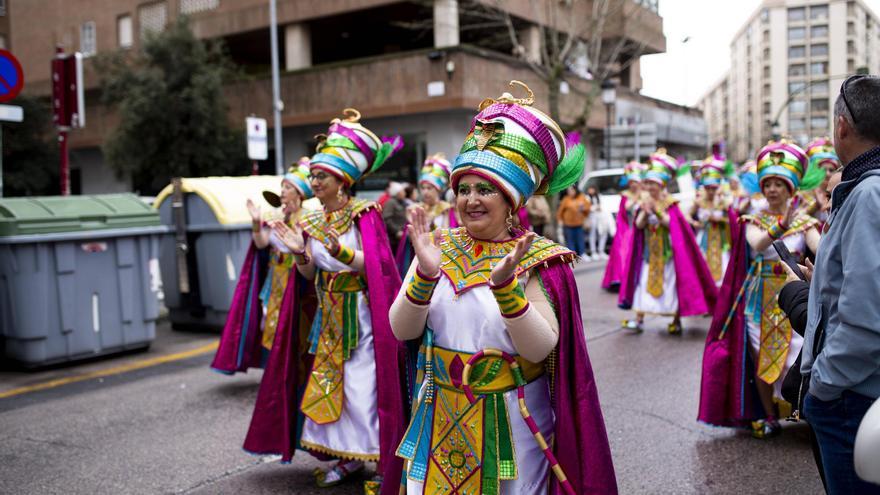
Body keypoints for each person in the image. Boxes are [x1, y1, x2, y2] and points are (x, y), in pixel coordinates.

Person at [388, 81, 617, 494]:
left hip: (511, 422)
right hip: (438, 412)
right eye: (463, 189)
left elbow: (540, 349)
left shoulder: (538, 258)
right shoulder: (436, 246)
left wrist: (507, 290)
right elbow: (402, 331)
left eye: (486, 188)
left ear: (512, 199)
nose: (470, 199)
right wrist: (423, 276)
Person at [242, 109, 407, 494]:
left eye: (321, 177)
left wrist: (344, 254)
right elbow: (309, 276)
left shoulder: (364, 215)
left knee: (366, 385)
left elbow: (378, 269)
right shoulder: (312, 222)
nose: (314, 183)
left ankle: (383, 462)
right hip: (327, 318)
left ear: (342, 181)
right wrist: (302, 255)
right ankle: (349, 457)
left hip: (364, 316)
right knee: (335, 385)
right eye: (313, 176)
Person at [699, 139, 821, 439]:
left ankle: (803, 409)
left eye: (780, 183)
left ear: (791, 187)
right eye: (768, 183)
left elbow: (825, 250)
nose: (773, 189)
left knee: (798, 355)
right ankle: (768, 415)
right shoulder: (753, 219)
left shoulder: (805, 222)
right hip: (759, 300)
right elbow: (757, 243)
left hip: (797, 297)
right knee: (763, 357)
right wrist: (780, 226)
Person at [799, 74, 880, 494]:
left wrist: (824, 386)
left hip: (854, 396)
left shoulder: (869, 194)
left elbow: (867, 318)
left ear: (842, 127)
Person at [211, 158, 315, 374]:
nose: (283, 191)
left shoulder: (308, 220)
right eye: (283, 187)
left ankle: (293, 369)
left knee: (293, 324)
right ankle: (274, 369)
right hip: (274, 279)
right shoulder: (275, 216)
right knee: (271, 322)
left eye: (288, 187)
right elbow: (261, 243)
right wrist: (256, 222)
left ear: (300, 193)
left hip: (295, 279)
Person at [618, 150, 717, 334]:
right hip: (650, 253)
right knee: (642, 284)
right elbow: (638, 226)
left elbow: (672, 224)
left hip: (668, 254)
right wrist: (645, 214)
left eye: (652, 183)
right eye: (647, 183)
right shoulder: (643, 203)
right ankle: (639, 319)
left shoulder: (671, 204)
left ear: (661, 184)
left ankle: (676, 320)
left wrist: (656, 212)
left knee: (671, 284)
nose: (648, 187)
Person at [394, 154, 455, 275]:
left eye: (430, 188)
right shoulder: (416, 209)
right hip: (418, 260)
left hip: (443, 261)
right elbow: (409, 242)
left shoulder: (447, 209)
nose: (425, 191)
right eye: (423, 187)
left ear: (438, 189)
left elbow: (449, 235)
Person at [689, 157, 736, 287]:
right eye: (708, 188)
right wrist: (694, 223)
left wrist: (720, 219)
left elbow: (733, 221)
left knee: (723, 269)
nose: (711, 191)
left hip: (721, 241)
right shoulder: (699, 201)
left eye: (713, 188)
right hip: (703, 238)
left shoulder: (724, 202)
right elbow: (687, 216)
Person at [601, 161, 644, 291]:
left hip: (640, 229)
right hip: (627, 229)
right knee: (623, 251)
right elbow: (624, 211)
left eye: (635, 182)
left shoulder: (645, 195)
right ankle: (621, 280)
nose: (632, 185)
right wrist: (635, 198)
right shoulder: (626, 196)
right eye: (631, 182)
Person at [556, 185, 590, 257]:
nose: (570, 192)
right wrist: (560, 220)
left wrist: (583, 207)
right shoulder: (566, 199)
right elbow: (560, 212)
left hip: (579, 223)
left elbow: (587, 207)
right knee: (570, 241)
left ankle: (582, 253)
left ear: (575, 190)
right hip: (568, 224)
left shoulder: (581, 197)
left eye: (571, 190)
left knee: (580, 239)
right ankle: (572, 255)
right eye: (568, 191)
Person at [585, 185, 611, 260]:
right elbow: (587, 208)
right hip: (591, 217)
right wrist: (595, 207)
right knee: (592, 235)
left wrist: (598, 207)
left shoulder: (599, 196)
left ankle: (601, 251)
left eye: (592, 189)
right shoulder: (587, 198)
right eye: (590, 189)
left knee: (603, 233)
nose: (591, 191)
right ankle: (593, 252)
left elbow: (603, 206)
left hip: (601, 217)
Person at [383, 181, 409, 254]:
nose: (404, 193)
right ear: (398, 193)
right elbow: (386, 219)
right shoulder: (391, 203)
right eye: (402, 191)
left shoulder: (402, 202)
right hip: (394, 239)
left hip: (402, 237)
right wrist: (396, 231)